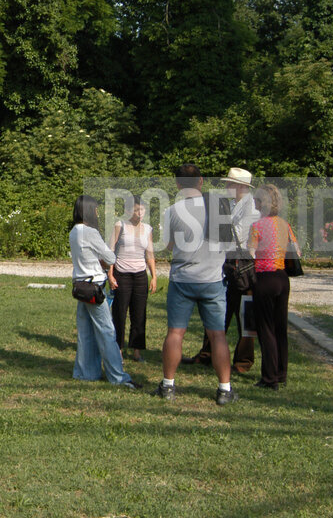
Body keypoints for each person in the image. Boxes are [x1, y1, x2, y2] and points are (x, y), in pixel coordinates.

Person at [152, 164, 236, 405]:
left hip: (183, 279)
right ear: (201, 181)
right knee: (217, 335)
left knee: (175, 333)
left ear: (177, 184)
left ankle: (168, 386)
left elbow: (168, 245)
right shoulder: (219, 207)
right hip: (212, 279)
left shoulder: (172, 210)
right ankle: (224, 389)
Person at [182, 167, 260, 372]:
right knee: (218, 312)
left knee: (245, 315)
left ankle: (243, 361)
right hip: (228, 264)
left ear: (242, 187)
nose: (226, 186)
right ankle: (207, 353)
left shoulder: (251, 209)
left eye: (230, 183)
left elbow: (237, 236)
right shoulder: (231, 204)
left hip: (243, 266)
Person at [70, 195, 139, 388]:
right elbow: (110, 258)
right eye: (96, 209)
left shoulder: (74, 231)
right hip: (94, 287)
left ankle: (85, 372)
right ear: (89, 211)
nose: (98, 213)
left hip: (80, 286)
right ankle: (118, 376)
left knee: (85, 333)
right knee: (107, 331)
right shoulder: (90, 232)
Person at [247, 184, 297, 390]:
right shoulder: (285, 225)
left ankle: (269, 378)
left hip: (264, 278)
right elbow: (296, 251)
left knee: (265, 329)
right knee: (280, 327)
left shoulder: (257, 227)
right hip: (282, 278)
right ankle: (281, 373)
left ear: (261, 203)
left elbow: (250, 253)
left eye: (256, 200)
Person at [107, 195, 157, 362]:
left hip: (140, 274)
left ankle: (137, 351)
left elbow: (149, 254)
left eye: (142, 209)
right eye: (136, 210)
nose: (140, 213)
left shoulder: (148, 229)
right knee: (120, 312)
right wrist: (110, 273)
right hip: (122, 273)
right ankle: (118, 349)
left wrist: (154, 276)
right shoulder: (120, 225)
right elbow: (110, 251)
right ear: (129, 210)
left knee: (139, 313)